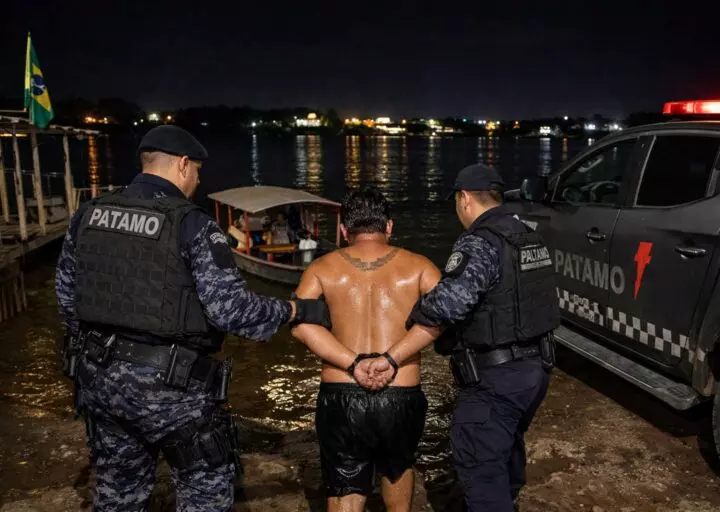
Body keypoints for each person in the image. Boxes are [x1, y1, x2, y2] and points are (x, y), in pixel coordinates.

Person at [55, 125, 331, 512]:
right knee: (205, 495)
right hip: (173, 390)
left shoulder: (88, 215)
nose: (198, 181)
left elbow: (68, 297)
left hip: (100, 381)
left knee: (118, 495)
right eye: (198, 171)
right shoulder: (193, 225)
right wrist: (293, 310)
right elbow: (232, 312)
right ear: (183, 165)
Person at [360, 164, 560, 512]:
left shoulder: (481, 240)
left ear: (465, 198)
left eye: (456, 201)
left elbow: (449, 305)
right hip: (536, 370)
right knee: (506, 450)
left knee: (479, 464)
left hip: (498, 378)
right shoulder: (526, 235)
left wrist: (404, 334)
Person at [290, 188, 442, 512]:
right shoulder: (420, 267)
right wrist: (392, 358)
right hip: (400, 390)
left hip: (341, 390)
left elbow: (301, 325)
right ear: (389, 226)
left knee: (345, 483)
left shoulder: (321, 268)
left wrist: (354, 363)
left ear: (345, 230)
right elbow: (446, 317)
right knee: (398, 468)